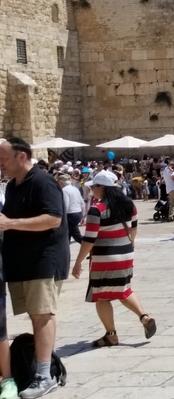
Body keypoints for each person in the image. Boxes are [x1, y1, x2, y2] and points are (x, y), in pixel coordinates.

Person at [0, 138, 69, 399]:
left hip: (44, 259)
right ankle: (41, 365)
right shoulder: (15, 186)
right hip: (23, 263)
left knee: (43, 314)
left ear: (21, 157)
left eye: (3, 159)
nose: (0, 164)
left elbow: (53, 218)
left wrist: (11, 224)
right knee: (36, 315)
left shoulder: (42, 182)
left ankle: (44, 375)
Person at [72, 170, 157, 349]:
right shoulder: (129, 206)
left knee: (102, 297)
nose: (92, 190)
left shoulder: (97, 209)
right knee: (124, 289)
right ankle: (144, 317)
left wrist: (78, 261)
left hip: (105, 257)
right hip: (126, 253)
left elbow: (89, 238)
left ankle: (111, 335)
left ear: (102, 188)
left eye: (93, 186)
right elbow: (133, 229)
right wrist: (129, 244)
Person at [57, 174, 85, 244]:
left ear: (61, 182)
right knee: (69, 233)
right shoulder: (75, 189)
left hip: (70, 214)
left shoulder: (64, 190)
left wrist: (62, 216)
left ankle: (88, 246)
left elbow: (66, 205)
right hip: (78, 213)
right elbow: (82, 203)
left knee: (74, 234)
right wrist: (83, 215)